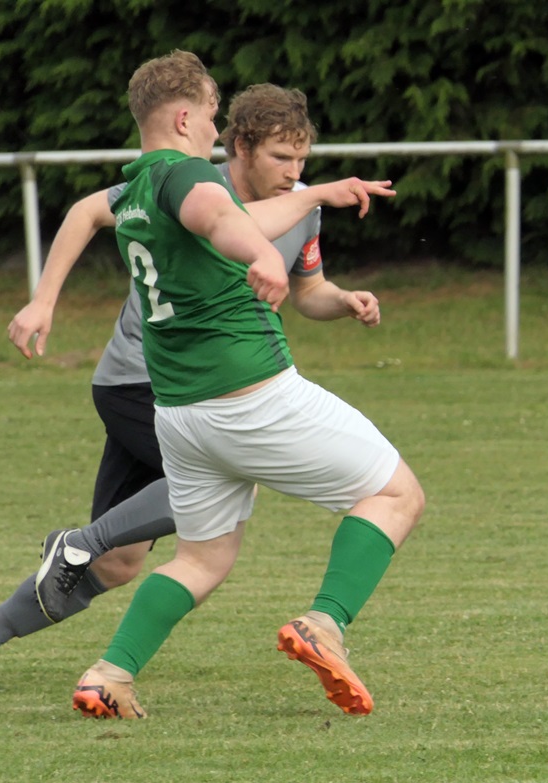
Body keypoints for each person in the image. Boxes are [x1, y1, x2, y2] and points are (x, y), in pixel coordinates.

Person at [0, 81, 387, 694]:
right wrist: (43, 300)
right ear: (240, 146)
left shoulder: (302, 206)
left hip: (185, 387)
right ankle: (78, 545)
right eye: (281, 157)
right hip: (147, 379)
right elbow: (95, 211)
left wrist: (344, 301)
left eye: (302, 159)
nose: (294, 172)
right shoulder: (187, 184)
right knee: (228, 474)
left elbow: (309, 291)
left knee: (120, 562)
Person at [70, 50, 424, 720]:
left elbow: (231, 218)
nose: (215, 128)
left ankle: (109, 673)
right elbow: (225, 218)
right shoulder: (187, 175)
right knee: (397, 493)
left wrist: (307, 208)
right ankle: (326, 621)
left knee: (203, 560)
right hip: (249, 392)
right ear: (185, 119)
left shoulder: (137, 188)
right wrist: (265, 252)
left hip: (179, 412)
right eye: (210, 114)